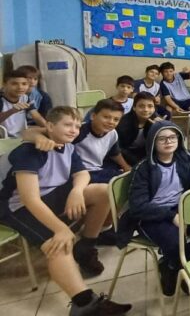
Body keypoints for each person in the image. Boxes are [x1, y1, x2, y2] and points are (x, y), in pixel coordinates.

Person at [0, 107, 132, 315]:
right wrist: (60, 228)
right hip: (15, 206)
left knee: (102, 191)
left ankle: (86, 248)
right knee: (58, 241)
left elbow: (82, 173)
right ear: (50, 126)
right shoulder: (30, 151)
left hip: (48, 195)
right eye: (68, 125)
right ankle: (84, 303)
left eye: (78, 126)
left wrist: (77, 191)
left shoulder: (68, 147)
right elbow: (29, 199)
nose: (74, 130)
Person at [118, 121, 190, 296]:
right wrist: (170, 216)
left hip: (180, 207)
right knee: (175, 242)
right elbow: (138, 207)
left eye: (173, 137)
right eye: (162, 139)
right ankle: (180, 270)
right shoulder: (144, 168)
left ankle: (172, 266)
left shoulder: (185, 157)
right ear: (152, 142)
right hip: (152, 215)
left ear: (179, 139)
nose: (168, 142)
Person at [25, 99, 131, 184]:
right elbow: (27, 133)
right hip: (79, 172)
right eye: (106, 117)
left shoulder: (112, 133)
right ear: (93, 116)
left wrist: (126, 167)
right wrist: (39, 137)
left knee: (130, 176)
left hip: (97, 169)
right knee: (119, 182)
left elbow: (115, 153)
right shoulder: (77, 131)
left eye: (116, 119)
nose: (111, 122)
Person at [116, 92, 160, 166]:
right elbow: (119, 148)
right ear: (134, 107)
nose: (146, 109)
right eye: (141, 106)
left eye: (150, 106)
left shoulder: (156, 119)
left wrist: (162, 126)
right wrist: (138, 163)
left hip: (145, 151)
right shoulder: (123, 123)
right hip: (127, 154)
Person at [0, 69, 46, 137]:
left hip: (22, 136)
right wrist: (12, 111)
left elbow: (36, 116)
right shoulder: (1, 100)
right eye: (14, 84)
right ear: (5, 84)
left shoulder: (25, 98)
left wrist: (50, 129)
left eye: (24, 84)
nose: (20, 87)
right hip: (4, 139)